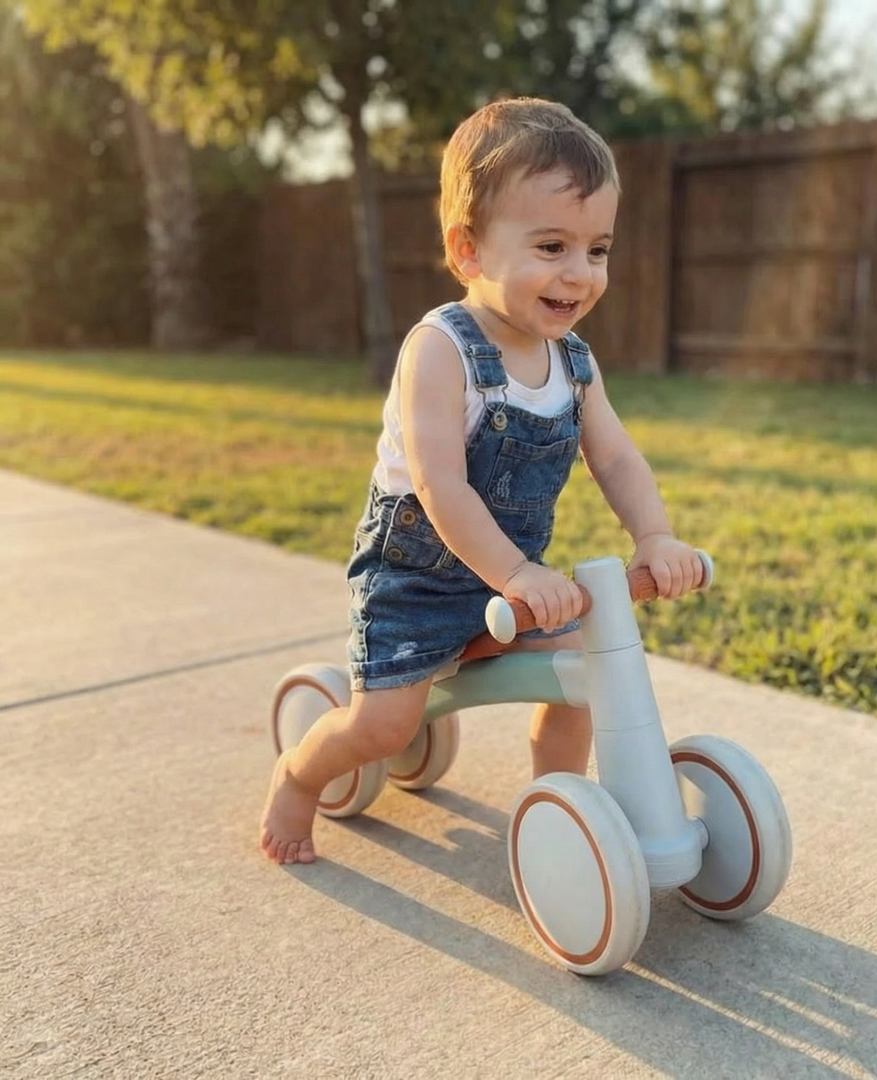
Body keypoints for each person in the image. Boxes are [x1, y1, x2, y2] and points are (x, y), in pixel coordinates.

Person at [260, 97, 702, 864]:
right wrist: (519, 573)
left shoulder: (574, 363)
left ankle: (559, 810)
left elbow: (617, 459)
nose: (579, 273)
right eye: (552, 246)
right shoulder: (439, 350)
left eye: (597, 249)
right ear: (468, 251)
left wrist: (654, 535)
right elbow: (442, 488)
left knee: (587, 670)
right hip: (415, 583)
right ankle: (298, 777)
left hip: (506, 582)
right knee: (384, 726)